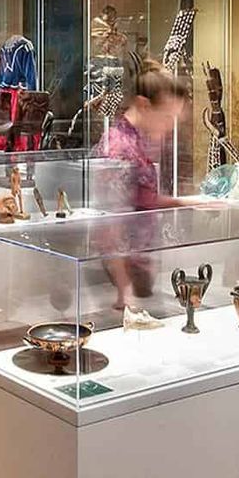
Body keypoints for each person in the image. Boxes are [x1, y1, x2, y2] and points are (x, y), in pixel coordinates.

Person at [91, 64, 189, 308]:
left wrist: (188, 202)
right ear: (144, 105)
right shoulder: (119, 147)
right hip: (120, 285)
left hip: (138, 273)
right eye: (167, 117)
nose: (170, 127)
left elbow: (140, 199)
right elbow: (110, 224)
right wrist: (125, 291)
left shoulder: (138, 141)